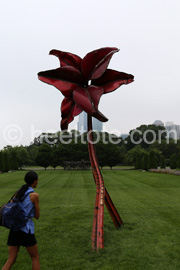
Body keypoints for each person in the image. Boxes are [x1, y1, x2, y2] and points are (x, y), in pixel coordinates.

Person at [2, 171, 40, 270]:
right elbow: (37, 216)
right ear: (34, 181)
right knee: (35, 258)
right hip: (26, 229)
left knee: (10, 260)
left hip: (14, 228)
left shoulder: (18, 192)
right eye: (37, 180)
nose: (37, 182)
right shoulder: (34, 196)